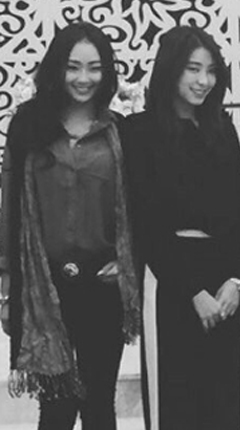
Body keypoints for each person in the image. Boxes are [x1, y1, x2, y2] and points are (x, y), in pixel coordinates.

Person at [0, 22, 140, 430]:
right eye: (73, 66)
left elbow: (138, 207)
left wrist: (127, 261)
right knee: (56, 407)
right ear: (57, 68)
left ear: (107, 72)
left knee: (99, 402)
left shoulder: (120, 130)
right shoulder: (28, 125)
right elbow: (11, 205)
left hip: (102, 283)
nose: (83, 78)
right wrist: (7, 286)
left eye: (94, 68)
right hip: (44, 285)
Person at [120, 26, 240, 430]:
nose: (203, 80)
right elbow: (145, 221)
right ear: (170, 69)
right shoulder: (138, 132)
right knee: (175, 403)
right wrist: (193, 291)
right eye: (193, 69)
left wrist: (236, 280)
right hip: (170, 279)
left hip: (224, 283)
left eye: (211, 71)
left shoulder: (222, 128)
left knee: (222, 404)